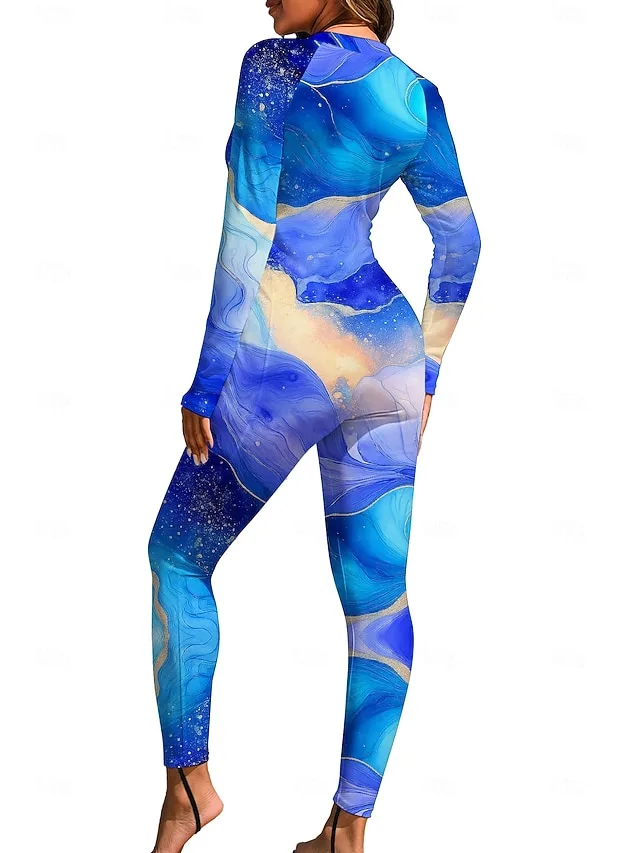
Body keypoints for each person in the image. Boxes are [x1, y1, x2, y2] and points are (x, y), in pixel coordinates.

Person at [147, 1, 481, 851]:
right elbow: (463, 242)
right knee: (378, 600)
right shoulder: (418, 96)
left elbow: (247, 229)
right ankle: (347, 831)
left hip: (281, 351)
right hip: (386, 355)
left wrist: (208, 376)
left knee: (178, 554)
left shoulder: (275, 68)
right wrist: (429, 373)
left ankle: (189, 789)